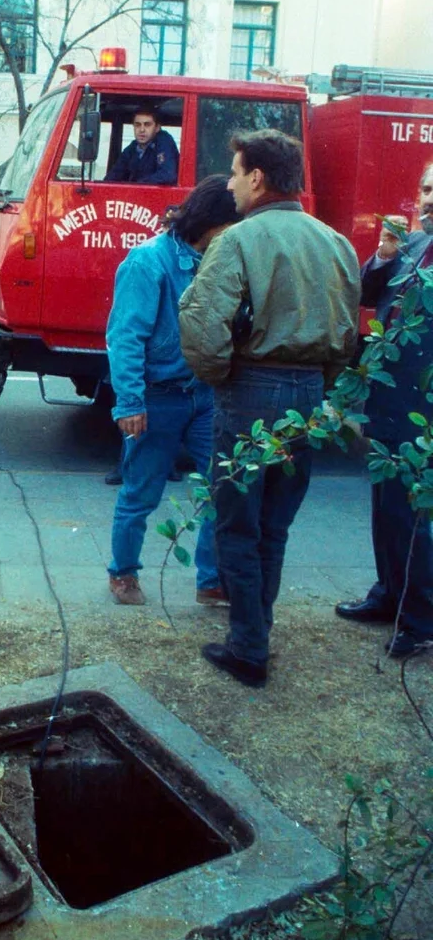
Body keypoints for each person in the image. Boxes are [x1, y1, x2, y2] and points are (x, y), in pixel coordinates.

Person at [179, 130, 360, 686]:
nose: (230, 183)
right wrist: (319, 384)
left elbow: (201, 322)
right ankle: (257, 633)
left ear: (257, 178)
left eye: (235, 172)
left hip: (252, 388)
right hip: (308, 394)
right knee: (273, 526)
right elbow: (348, 332)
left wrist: (222, 376)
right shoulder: (336, 243)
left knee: (237, 523)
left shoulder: (238, 240)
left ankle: (248, 647)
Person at [106, 176, 240, 605]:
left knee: (224, 485)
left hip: (204, 395)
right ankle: (123, 573)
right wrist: (129, 401)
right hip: (158, 396)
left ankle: (210, 580)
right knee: (141, 491)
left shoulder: (218, 259)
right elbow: (125, 336)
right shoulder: (147, 262)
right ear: (210, 223)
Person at [335, 168, 433, 657]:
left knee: (418, 517)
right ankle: (388, 594)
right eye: (427, 189)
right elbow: (368, 295)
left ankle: (419, 620)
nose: (430, 200)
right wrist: (384, 256)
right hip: (389, 403)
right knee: (387, 507)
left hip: (426, 413)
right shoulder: (412, 246)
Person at [104, 109, 179, 186]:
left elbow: (167, 175)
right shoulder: (132, 147)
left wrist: (137, 184)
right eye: (137, 125)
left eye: (147, 125)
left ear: (157, 128)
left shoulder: (163, 141)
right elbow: (114, 174)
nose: (142, 130)